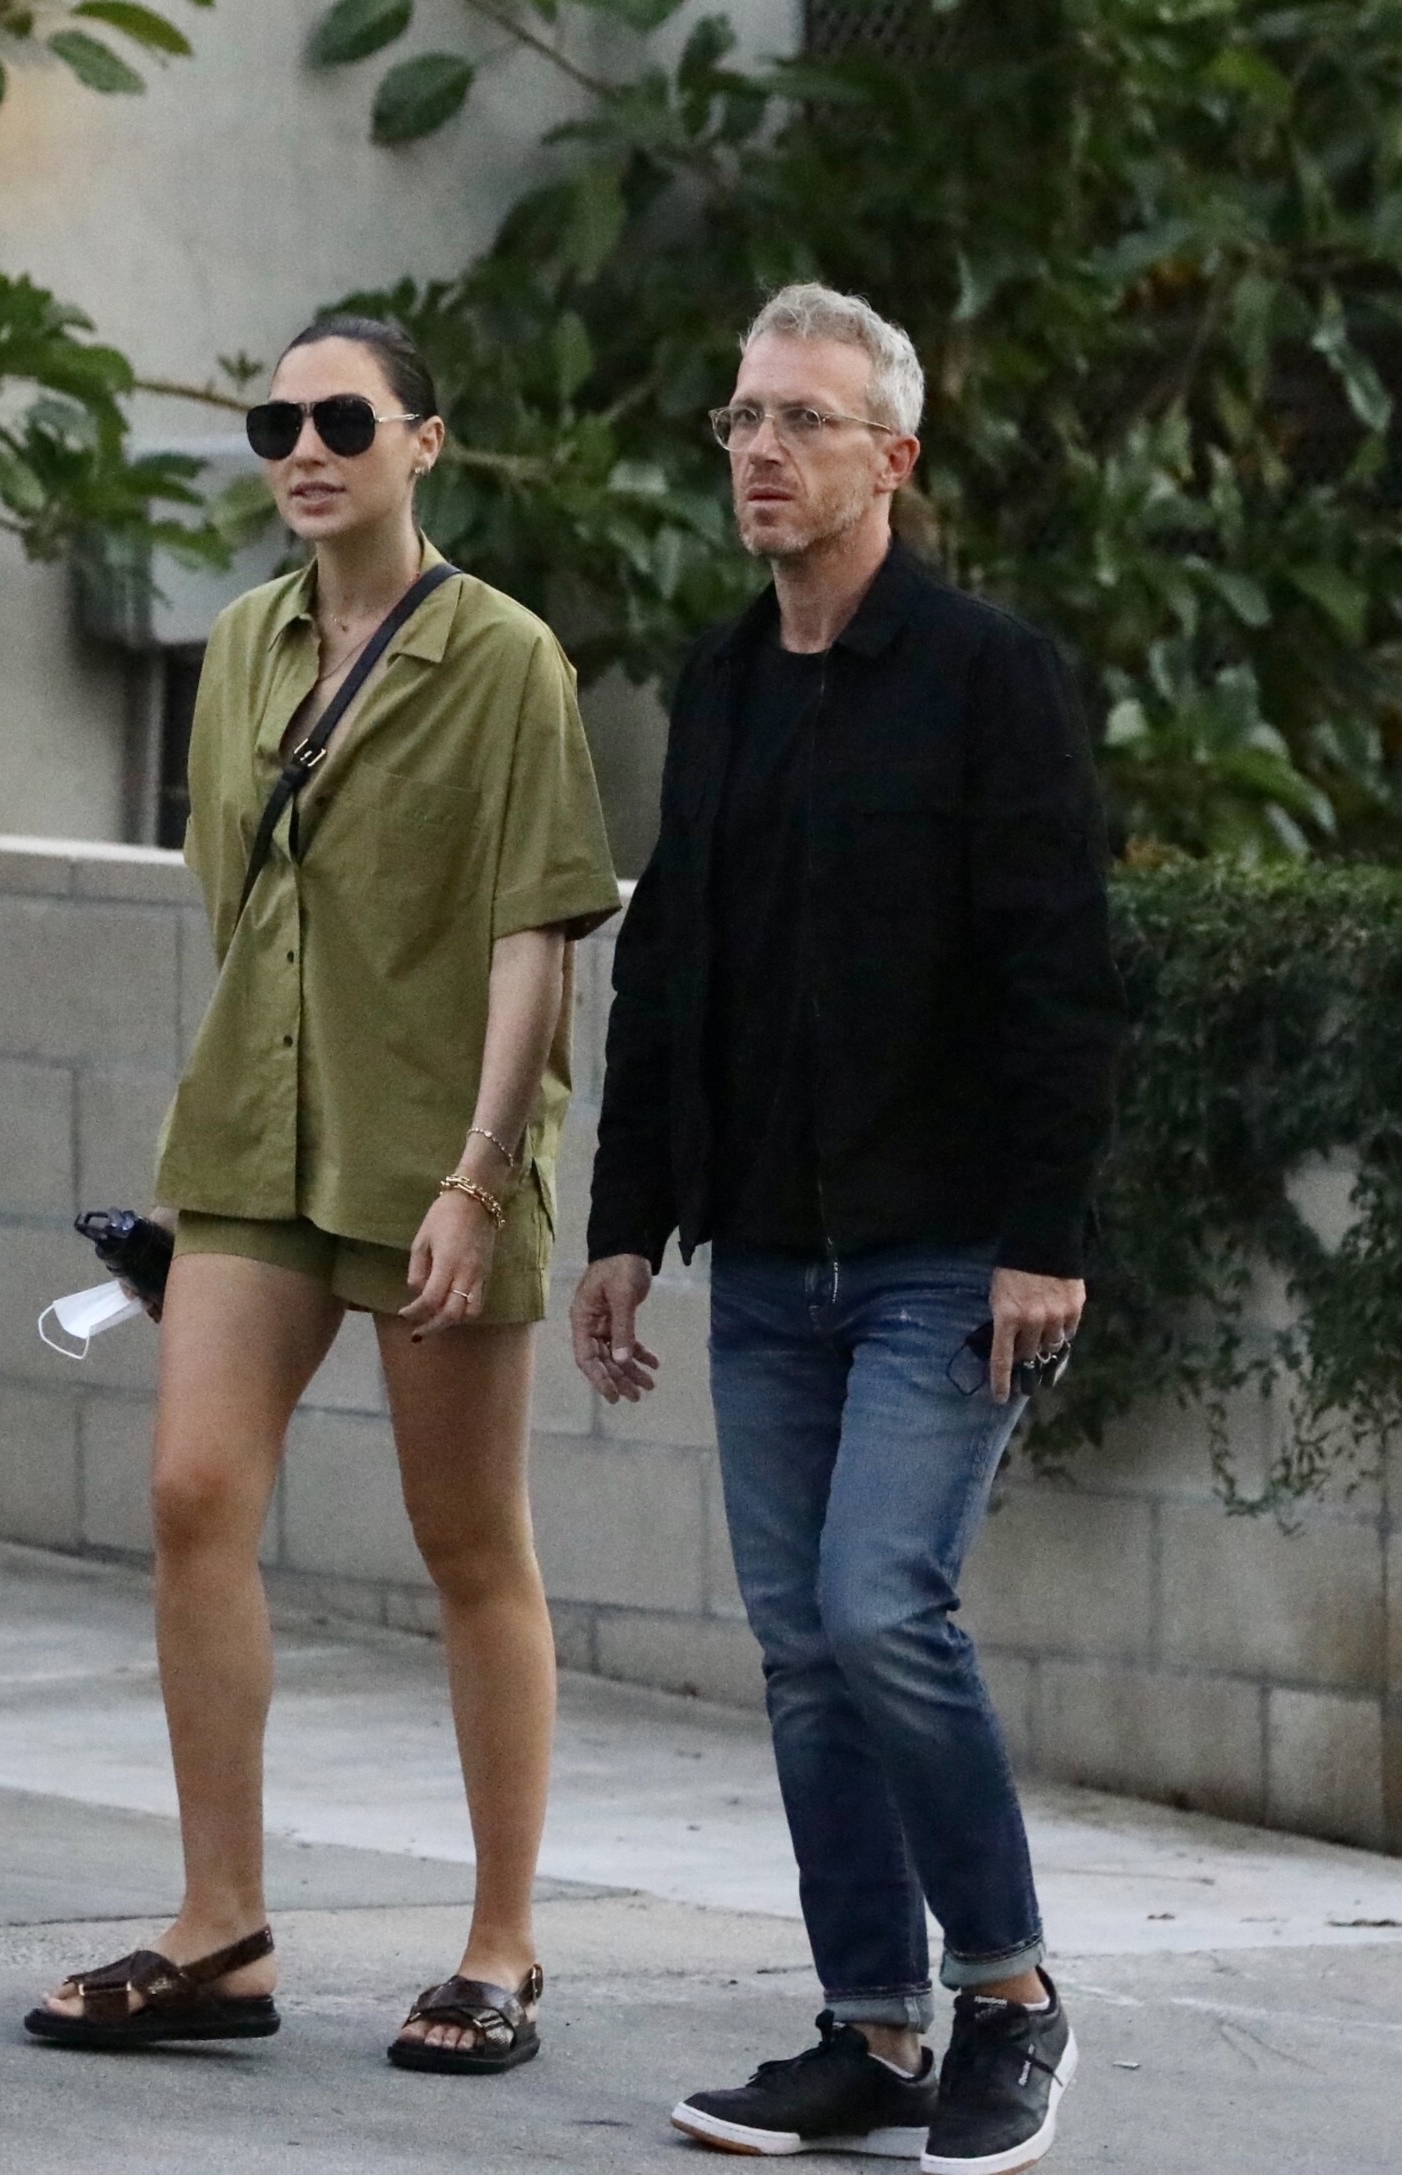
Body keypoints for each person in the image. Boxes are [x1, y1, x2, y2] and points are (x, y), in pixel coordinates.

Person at [571, 284, 1123, 2170]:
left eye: (803, 420)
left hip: (943, 1257)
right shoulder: (724, 681)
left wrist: (1043, 1237)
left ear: (892, 458)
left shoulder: (987, 678)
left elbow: (1060, 976)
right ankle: (873, 2030)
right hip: (766, 1268)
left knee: (886, 1610)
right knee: (805, 1647)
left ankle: (1012, 1996)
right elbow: (673, 967)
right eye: (743, 418)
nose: (762, 450)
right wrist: (628, 1220)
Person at [27, 313, 619, 2071]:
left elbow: (538, 936)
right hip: (252, 1141)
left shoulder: (506, 659)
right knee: (194, 1493)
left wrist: (480, 1175)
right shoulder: (239, 647)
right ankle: (221, 1929)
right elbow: (242, 905)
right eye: (277, 420)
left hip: (435, 1148)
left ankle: (502, 1948)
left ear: (422, 442)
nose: (305, 446)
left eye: (343, 419)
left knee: (466, 1538)